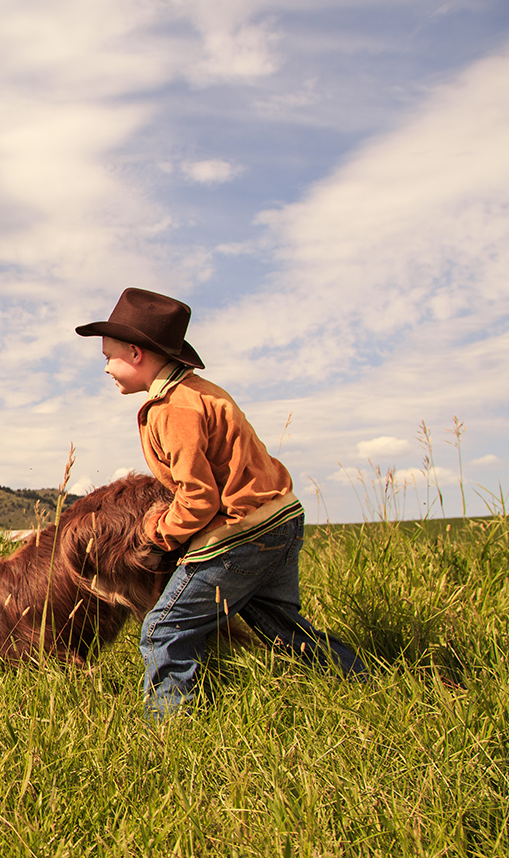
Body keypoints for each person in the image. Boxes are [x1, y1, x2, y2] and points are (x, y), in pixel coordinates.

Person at [75, 287, 366, 719]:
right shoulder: (202, 391)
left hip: (240, 534)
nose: (105, 368)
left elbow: (199, 496)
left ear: (136, 353)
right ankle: (362, 684)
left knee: (163, 628)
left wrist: (157, 536)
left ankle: (169, 730)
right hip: (279, 518)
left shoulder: (173, 408)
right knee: (283, 628)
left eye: (108, 357)